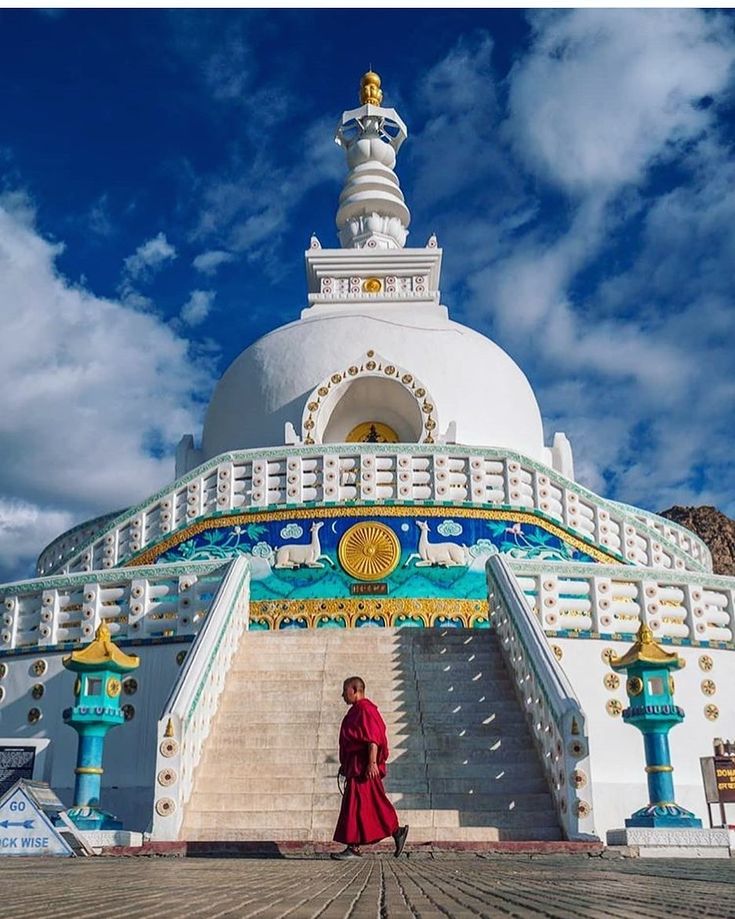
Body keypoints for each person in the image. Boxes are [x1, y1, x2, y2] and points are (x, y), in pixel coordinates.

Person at [331, 675, 409, 860]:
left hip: (364, 769)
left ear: (355, 690)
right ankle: (392, 833)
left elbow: (373, 737)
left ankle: (357, 845)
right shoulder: (356, 711)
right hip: (356, 767)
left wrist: (372, 763)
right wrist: (346, 764)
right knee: (362, 806)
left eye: (345, 691)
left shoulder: (365, 709)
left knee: (370, 804)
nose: (342, 695)